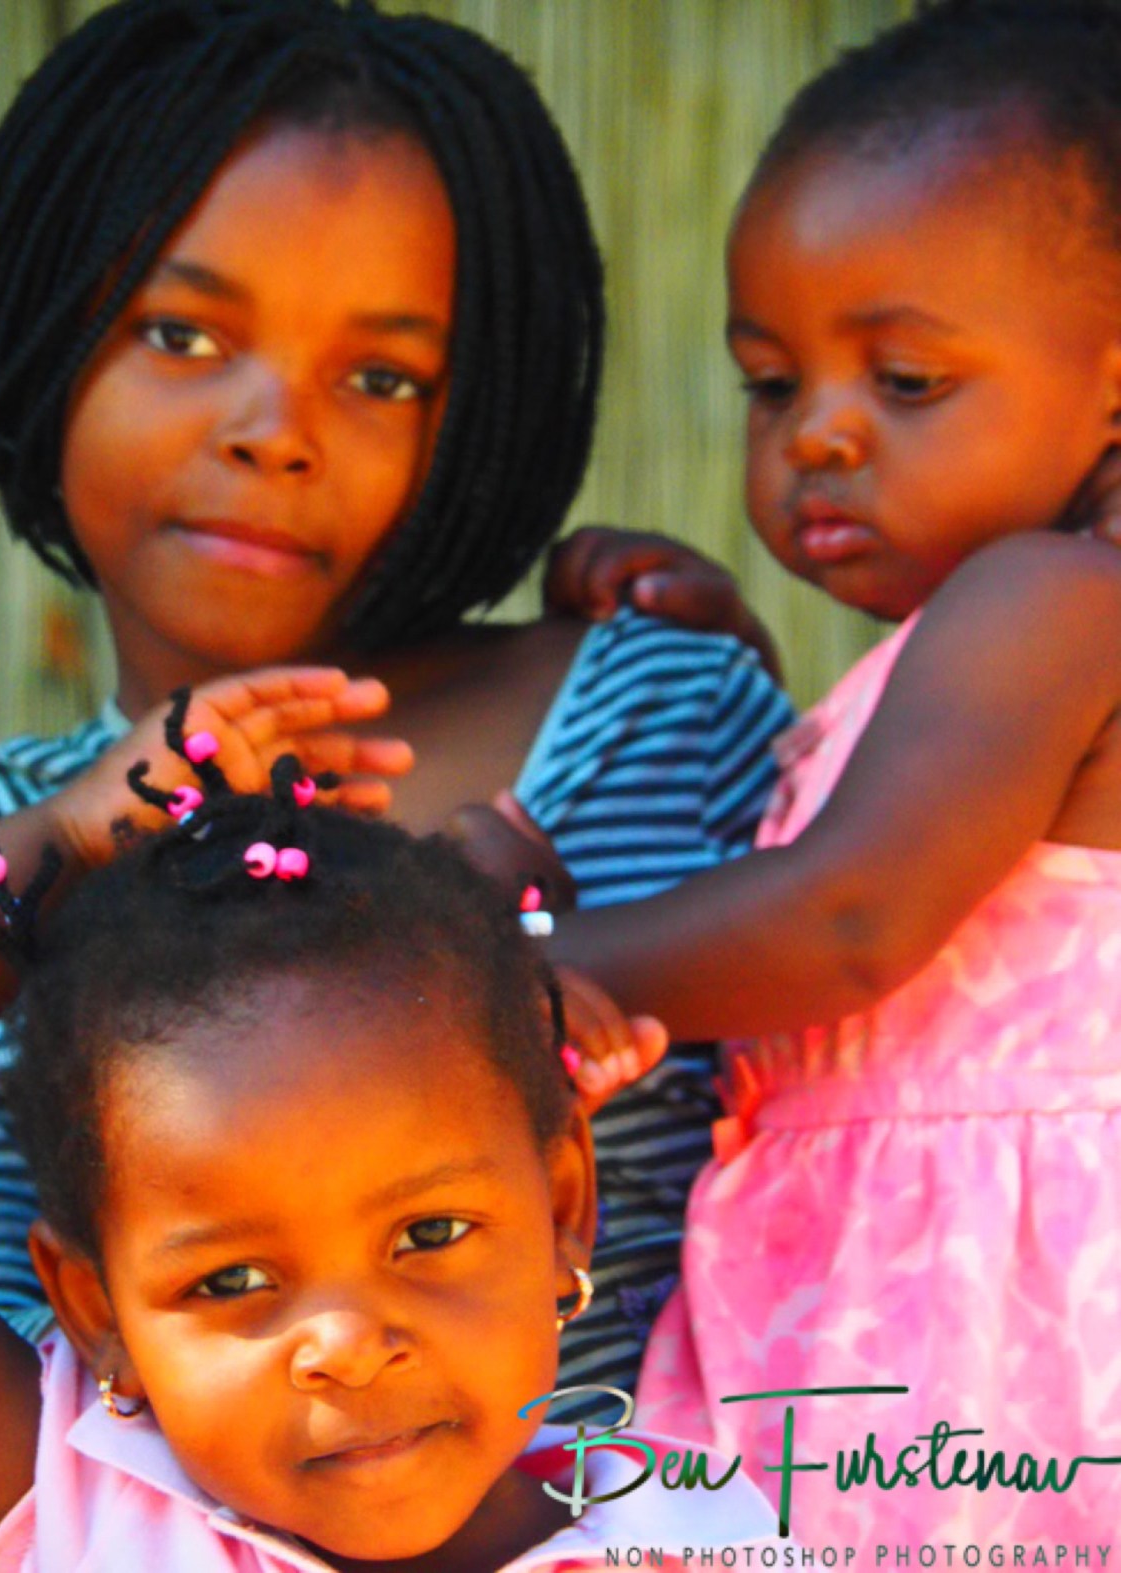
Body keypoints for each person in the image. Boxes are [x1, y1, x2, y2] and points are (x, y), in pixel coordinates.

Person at [0, 0, 793, 1403]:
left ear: (485, 413)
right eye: (182, 333)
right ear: (43, 318)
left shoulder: (657, 716)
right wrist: (64, 849)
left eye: (383, 377)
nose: (275, 429)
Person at [489, 0, 1121, 1550]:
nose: (820, 439)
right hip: (879, 1278)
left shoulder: (1056, 599)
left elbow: (850, 918)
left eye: (903, 382)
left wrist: (498, 966)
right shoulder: (1011, 628)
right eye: (774, 385)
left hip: (988, 1303)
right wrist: (759, 669)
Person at [0, 715, 782, 1573]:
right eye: (231, 1280)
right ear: (95, 1309)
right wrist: (60, 840)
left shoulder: (700, 1542)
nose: (347, 1347)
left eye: (429, 1233)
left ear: (562, 1203)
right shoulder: (68, 1500)